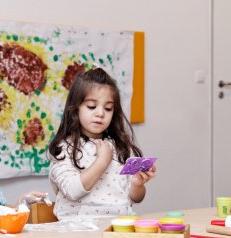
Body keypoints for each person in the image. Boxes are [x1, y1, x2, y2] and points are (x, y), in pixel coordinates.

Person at [48, 67, 156, 220]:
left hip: (118, 227)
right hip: (78, 231)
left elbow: (135, 199)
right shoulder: (65, 148)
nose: (100, 113)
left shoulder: (121, 147)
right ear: (75, 109)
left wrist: (137, 184)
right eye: (91, 106)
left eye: (108, 108)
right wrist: (102, 161)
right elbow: (72, 190)